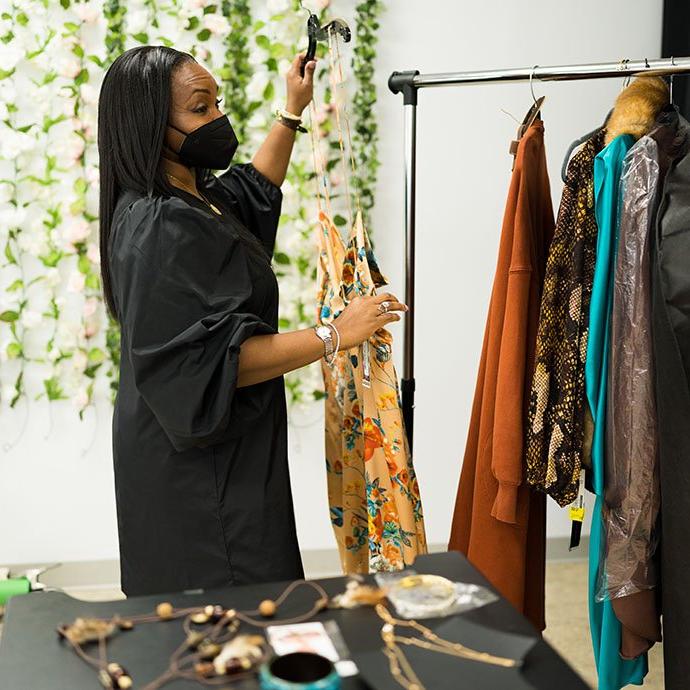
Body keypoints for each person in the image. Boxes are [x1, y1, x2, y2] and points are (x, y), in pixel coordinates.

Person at [96, 45, 406, 596]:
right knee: (233, 604)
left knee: (259, 587)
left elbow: (255, 188)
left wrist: (293, 110)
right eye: (200, 108)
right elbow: (214, 364)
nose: (218, 119)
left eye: (217, 103)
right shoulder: (157, 227)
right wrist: (337, 333)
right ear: (150, 122)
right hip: (195, 469)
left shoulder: (194, 193)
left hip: (231, 446)